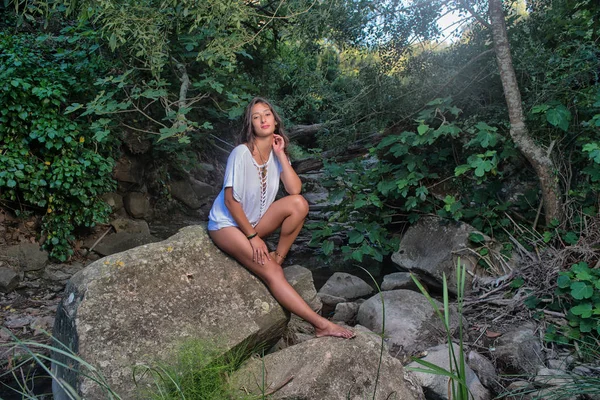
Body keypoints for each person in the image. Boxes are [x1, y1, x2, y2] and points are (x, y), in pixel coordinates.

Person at [208, 97, 354, 339]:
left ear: (275, 121)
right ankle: (321, 325)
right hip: (227, 225)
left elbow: (295, 190)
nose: (263, 119)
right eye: (256, 116)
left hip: (254, 221)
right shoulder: (240, 153)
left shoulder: (276, 155)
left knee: (299, 204)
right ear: (250, 125)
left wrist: (281, 154)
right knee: (273, 274)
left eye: (267, 114)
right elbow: (231, 201)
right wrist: (253, 237)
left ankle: (278, 257)